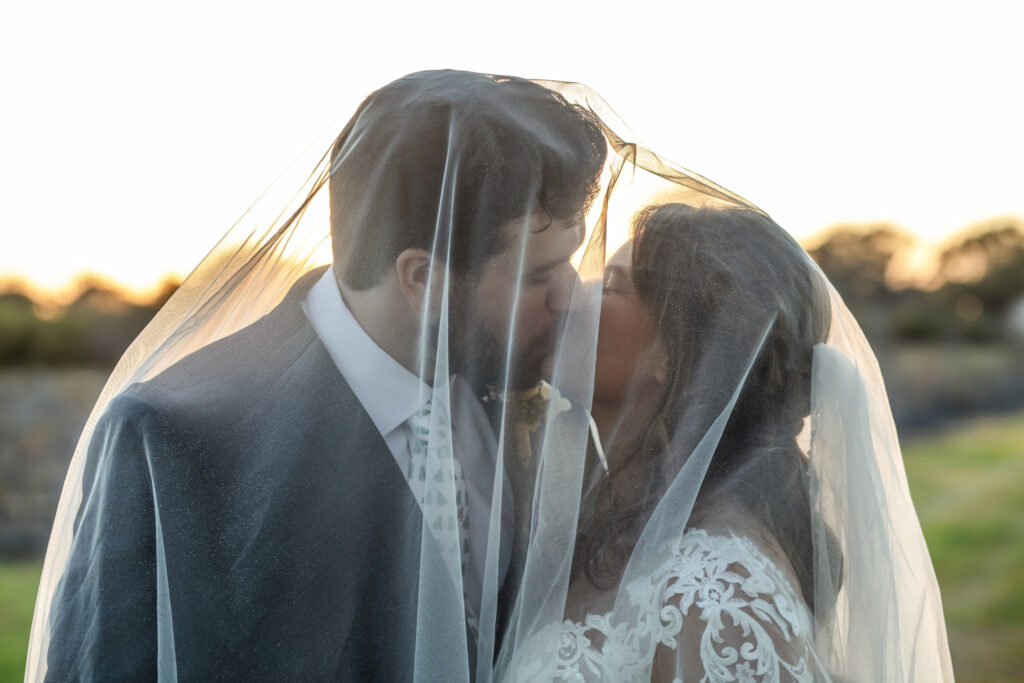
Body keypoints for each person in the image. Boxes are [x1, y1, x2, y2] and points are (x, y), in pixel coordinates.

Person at [29, 70, 607, 681]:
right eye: (540, 275)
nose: (570, 297)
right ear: (422, 279)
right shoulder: (170, 440)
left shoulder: (543, 410)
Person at [499, 205, 953, 681]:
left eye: (611, 287)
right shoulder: (621, 529)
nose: (573, 295)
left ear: (674, 352)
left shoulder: (720, 594)